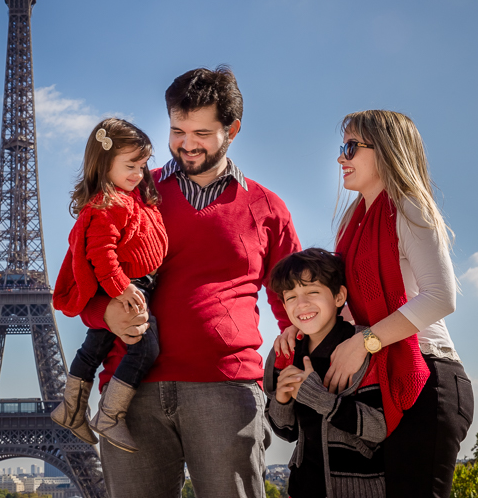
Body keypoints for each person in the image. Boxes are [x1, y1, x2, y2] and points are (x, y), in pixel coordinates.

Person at [77, 66, 301, 498]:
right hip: (130, 392)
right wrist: (103, 311)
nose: (186, 143)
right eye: (177, 130)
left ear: (232, 129)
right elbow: (81, 278)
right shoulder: (132, 194)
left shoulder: (269, 208)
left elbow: (293, 303)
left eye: (201, 132)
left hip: (226, 390)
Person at [278, 110, 474, 497]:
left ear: (385, 150)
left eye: (351, 147)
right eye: (342, 147)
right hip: (382, 375)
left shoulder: (409, 208)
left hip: (428, 375)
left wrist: (364, 342)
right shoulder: (353, 220)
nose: (340, 158)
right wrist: (301, 325)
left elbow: (440, 297)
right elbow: (347, 304)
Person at [51, 118, 168, 453]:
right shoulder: (108, 205)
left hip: (129, 284)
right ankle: (110, 415)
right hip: (127, 286)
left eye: (144, 166)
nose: (139, 174)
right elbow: (100, 253)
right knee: (145, 346)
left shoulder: (132, 199)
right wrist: (121, 289)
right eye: (131, 166)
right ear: (103, 166)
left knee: (95, 347)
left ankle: (69, 409)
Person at [265, 248, 386, 498]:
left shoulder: (360, 347)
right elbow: (285, 432)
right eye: (291, 297)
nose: (302, 304)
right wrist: (281, 400)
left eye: (312, 292)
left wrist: (316, 396)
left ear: (339, 296)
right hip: (303, 487)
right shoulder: (284, 353)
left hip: (360, 489)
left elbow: (379, 429)